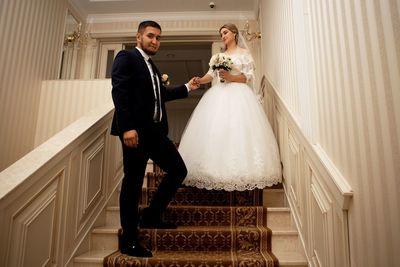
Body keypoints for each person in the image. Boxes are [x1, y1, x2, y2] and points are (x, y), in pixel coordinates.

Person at [110, 20, 200, 258]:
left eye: (158, 38)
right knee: (133, 182)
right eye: (150, 36)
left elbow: (162, 96)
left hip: (156, 132)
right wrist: (127, 127)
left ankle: (150, 215)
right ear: (138, 37)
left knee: (178, 170)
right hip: (136, 133)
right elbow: (119, 90)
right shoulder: (127, 57)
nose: (155, 41)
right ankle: (129, 240)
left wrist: (188, 88)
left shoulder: (152, 67)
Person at [179, 23, 282, 191]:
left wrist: (230, 77)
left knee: (238, 129)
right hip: (219, 93)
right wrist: (199, 80)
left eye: (225, 32)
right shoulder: (219, 56)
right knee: (217, 129)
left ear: (234, 33)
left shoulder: (244, 54)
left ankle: (243, 172)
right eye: (221, 34)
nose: (223, 36)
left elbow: (247, 78)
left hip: (239, 94)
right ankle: (213, 171)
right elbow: (210, 75)